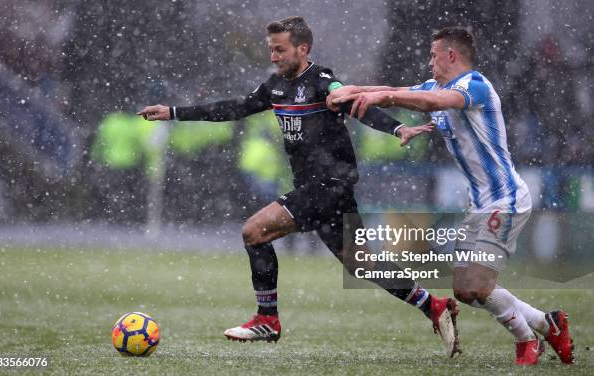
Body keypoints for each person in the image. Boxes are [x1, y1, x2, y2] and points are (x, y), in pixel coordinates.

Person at [138, 16, 460, 356]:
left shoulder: (322, 81)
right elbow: (233, 108)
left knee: (254, 232)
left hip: (328, 185)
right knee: (361, 263)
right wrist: (174, 112)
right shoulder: (275, 86)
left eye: (281, 50)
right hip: (322, 189)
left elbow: (356, 105)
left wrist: (397, 129)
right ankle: (433, 305)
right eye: (271, 50)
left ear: (302, 49)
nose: (274, 56)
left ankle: (267, 319)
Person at [331, 26, 574, 365]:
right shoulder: (436, 86)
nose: (430, 62)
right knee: (465, 290)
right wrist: (356, 89)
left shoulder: (474, 86)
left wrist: (380, 98)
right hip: (478, 203)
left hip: (505, 199)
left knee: (479, 284)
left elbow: (432, 101)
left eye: (433, 55)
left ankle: (526, 339)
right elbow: (403, 90)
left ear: (451, 55)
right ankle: (548, 324)